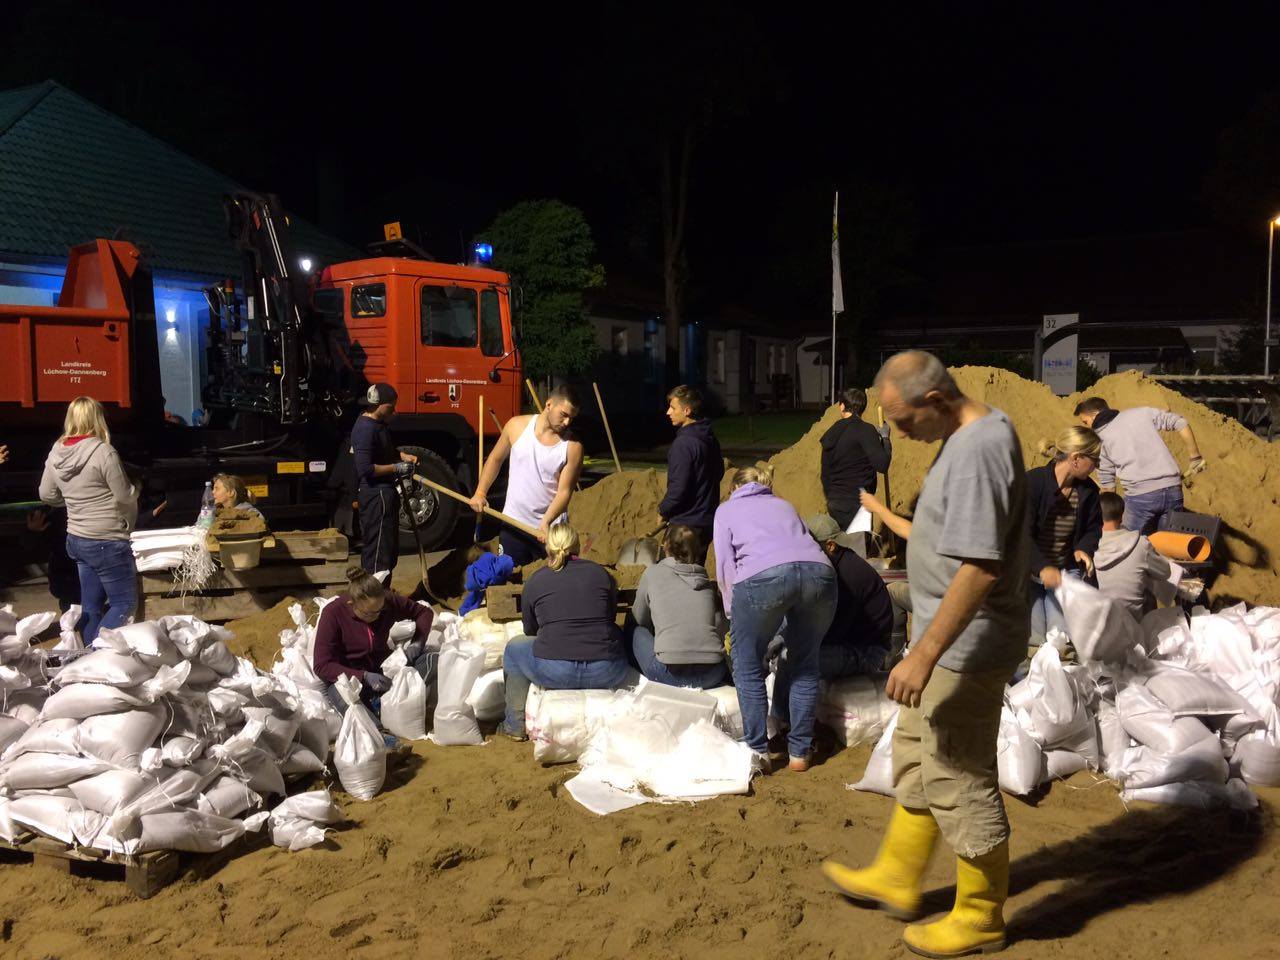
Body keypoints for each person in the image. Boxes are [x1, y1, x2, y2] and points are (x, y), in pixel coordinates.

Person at [821, 351, 1029, 958]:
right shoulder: (969, 431)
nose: (899, 434)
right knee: (915, 750)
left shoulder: (975, 454)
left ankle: (981, 914)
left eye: (902, 420)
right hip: (944, 638)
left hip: (965, 643)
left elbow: (981, 565)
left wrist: (925, 653)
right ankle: (898, 873)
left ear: (935, 400)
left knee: (958, 772)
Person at [714, 465, 836, 772]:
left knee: (747, 663)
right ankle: (799, 752)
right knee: (805, 663)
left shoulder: (726, 511)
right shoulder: (784, 505)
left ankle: (758, 750)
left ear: (733, 489)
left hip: (761, 576)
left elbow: (726, 566)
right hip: (819, 574)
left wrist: (733, 613)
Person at [498, 522, 630, 740]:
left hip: (555, 671)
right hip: (605, 670)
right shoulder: (601, 574)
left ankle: (515, 725)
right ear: (577, 546)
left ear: (548, 548)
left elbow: (530, 630)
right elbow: (609, 618)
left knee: (514, 649)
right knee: (620, 634)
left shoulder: (536, 581)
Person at [771, 514, 894, 744]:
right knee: (788, 648)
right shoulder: (833, 567)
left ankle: (788, 727)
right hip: (846, 641)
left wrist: (795, 642)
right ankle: (781, 723)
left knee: (795, 660)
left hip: (865, 651)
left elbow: (835, 629)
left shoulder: (849, 577)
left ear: (830, 545)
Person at [38, 397, 139, 645]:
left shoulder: (56, 451)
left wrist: (72, 501)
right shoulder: (103, 451)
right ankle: (96, 652)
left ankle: (88, 663)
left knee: (91, 606)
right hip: (107, 538)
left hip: (77, 538)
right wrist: (137, 490)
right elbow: (124, 495)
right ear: (98, 418)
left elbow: (46, 495)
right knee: (123, 603)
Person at [470, 384, 584, 566]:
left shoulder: (572, 447)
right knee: (507, 579)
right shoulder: (516, 427)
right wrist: (481, 492)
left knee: (551, 584)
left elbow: (564, 493)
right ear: (549, 405)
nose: (567, 422)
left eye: (572, 418)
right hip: (514, 524)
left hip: (550, 532)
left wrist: (545, 522)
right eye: (564, 415)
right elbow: (495, 459)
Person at [313, 567, 438, 716]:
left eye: (381, 609)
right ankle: (379, 731)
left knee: (434, 659)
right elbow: (322, 665)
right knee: (340, 692)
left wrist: (417, 644)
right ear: (351, 604)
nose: (377, 616)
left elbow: (424, 612)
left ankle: (394, 703)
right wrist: (364, 676)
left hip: (384, 671)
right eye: (369, 613)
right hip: (354, 678)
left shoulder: (387, 601)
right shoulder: (333, 614)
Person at [1074, 397, 1203, 534]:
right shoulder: (1141, 413)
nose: (1088, 427)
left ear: (1095, 415)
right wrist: (1195, 457)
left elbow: (1108, 487)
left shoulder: (1100, 438)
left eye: (1085, 422)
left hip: (1140, 498)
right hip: (1173, 491)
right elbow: (1180, 422)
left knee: (1128, 545)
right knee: (1168, 548)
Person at [1025, 427, 1103, 647]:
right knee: (1033, 640)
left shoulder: (1088, 492)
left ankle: (1061, 679)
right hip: (1028, 575)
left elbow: (1093, 528)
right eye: (1094, 460)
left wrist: (1084, 548)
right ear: (1076, 458)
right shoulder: (1034, 483)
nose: (1097, 466)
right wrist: (1041, 567)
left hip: (1064, 574)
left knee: (1062, 640)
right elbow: (1020, 533)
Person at [630, 524, 729, 689]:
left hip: (668, 674)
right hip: (713, 672)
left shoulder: (652, 573)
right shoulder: (705, 581)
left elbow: (639, 618)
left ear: (666, 546)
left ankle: (633, 674)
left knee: (634, 629)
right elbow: (718, 625)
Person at [351, 383, 418, 580]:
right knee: (378, 553)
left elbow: (382, 450)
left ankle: (382, 597)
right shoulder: (365, 429)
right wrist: (397, 468)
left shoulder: (377, 425)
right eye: (391, 406)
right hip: (375, 495)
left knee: (387, 551)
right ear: (379, 405)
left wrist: (401, 455)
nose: (394, 411)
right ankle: (373, 599)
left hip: (384, 493)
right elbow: (365, 468)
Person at [657, 385, 723, 560]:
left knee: (673, 578)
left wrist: (663, 510)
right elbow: (719, 473)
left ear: (687, 410)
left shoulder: (683, 444)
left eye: (673, 408)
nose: (668, 412)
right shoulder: (709, 438)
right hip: (706, 522)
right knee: (694, 576)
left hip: (684, 527)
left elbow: (678, 489)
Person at [1094, 491, 1174, 620]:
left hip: (1098, 624)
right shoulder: (1140, 545)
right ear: (1121, 516)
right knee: (1146, 580)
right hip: (1132, 625)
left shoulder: (1087, 548)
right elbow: (1165, 572)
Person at [821, 387, 892, 531]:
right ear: (863, 408)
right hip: (857, 504)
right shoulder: (865, 430)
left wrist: (832, 498)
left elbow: (825, 473)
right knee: (857, 551)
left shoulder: (831, 433)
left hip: (834, 503)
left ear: (841, 406)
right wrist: (885, 439)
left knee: (842, 549)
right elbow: (882, 464)